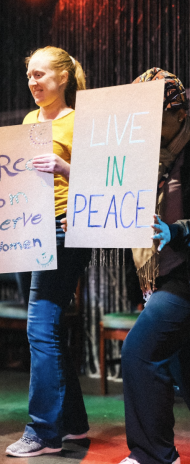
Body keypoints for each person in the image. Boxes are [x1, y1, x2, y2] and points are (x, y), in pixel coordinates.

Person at [6, 46, 91, 457]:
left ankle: (43, 432)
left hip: (63, 232)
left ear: (63, 77)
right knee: (47, 330)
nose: (33, 83)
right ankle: (72, 423)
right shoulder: (28, 121)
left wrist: (64, 168)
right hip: (30, 230)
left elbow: (103, 180)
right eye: (29, 76)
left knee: (40, 329)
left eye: (40, 75)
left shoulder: (81, 122)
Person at [118, 69, 190, 464]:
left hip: (184, 277)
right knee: (183, 367)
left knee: (140, 351)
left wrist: (178, 231)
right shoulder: (143, 153)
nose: (145, 126)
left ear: (179, 113)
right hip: (162, 276)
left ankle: (154, 455)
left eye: (155, 116)